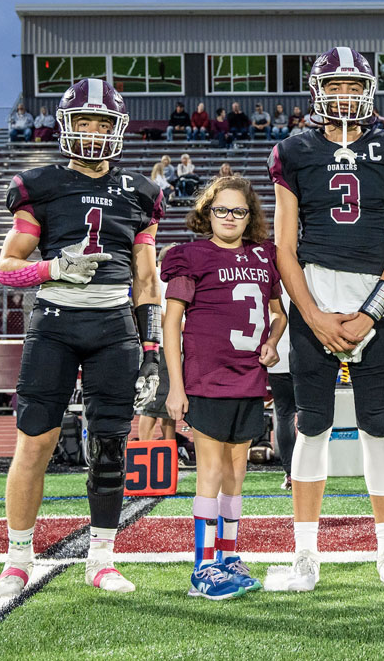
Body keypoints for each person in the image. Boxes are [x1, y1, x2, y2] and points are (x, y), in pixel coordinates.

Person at [0, 78, 164, 597]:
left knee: (110, 448)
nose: (91, 132)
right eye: (83, 122)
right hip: (55, 326)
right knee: (36, 442)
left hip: (115, 331)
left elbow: (148, 279)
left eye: (101, 123)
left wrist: (152, 351)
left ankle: (102, 559)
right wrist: (53, 268)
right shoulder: (40, 185)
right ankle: (18, 558)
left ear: (117, 129)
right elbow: (5, 269)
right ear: (66, 126)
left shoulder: (141, 194)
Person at [268, 46, 384, 592]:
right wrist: (310, 316)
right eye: (335, 86)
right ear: (317, 91)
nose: (345, 96)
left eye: (354, 86)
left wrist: (370, 313)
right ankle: (305, 554)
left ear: (369, 91)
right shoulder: (293, 150)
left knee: (379, 426)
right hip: (314, 290)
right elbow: (284, 247)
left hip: (372, 297)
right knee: (312, 425)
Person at [162, 175, 285, 599]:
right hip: (207, 377)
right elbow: (170, 322)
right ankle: (203, 566)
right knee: (211, 471)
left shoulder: (264, 255)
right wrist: (176, 387)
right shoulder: (189, 255)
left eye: (238, 210)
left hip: (249, 377)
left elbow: (278, 313)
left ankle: (229, 556)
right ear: (206, 213)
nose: (229, 217)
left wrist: (272, 341)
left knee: (237, 471)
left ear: (250, 216)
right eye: (221, 210)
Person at [137, 243, 178, 442]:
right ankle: (144, 449)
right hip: (160, 346)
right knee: (152, 404)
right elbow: (154, 312)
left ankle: (169, 451)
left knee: (168, 403)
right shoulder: (159, 279)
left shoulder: (174, 280)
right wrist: (178, 324)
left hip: (171, 347)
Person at [267, 288, 295, 491]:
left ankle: (290, 473)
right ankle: (308, 471)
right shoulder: (307, 269)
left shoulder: (268, 273)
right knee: (309, 414)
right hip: (306, 353)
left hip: (277, 353)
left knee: (284, 414)